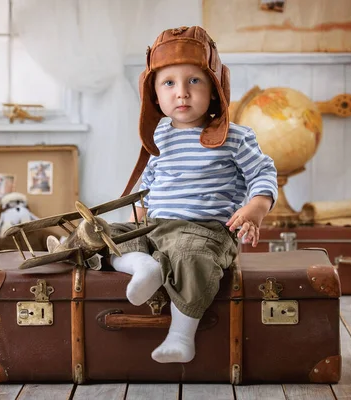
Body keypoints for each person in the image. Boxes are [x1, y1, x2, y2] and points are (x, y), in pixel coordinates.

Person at [109, 26, 278, 364]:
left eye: (194, 81)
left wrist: (254, 209)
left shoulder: (233, 136)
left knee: (191, 255)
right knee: (106, 237)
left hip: (204, 230)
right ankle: (144, 266)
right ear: (155, 95)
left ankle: (181, 335)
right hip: (156, 226)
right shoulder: (159, 135)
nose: (181, 93)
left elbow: (263, 172)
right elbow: (148, 183)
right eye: (169, 83)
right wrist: (135, 222)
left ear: (215, 90)